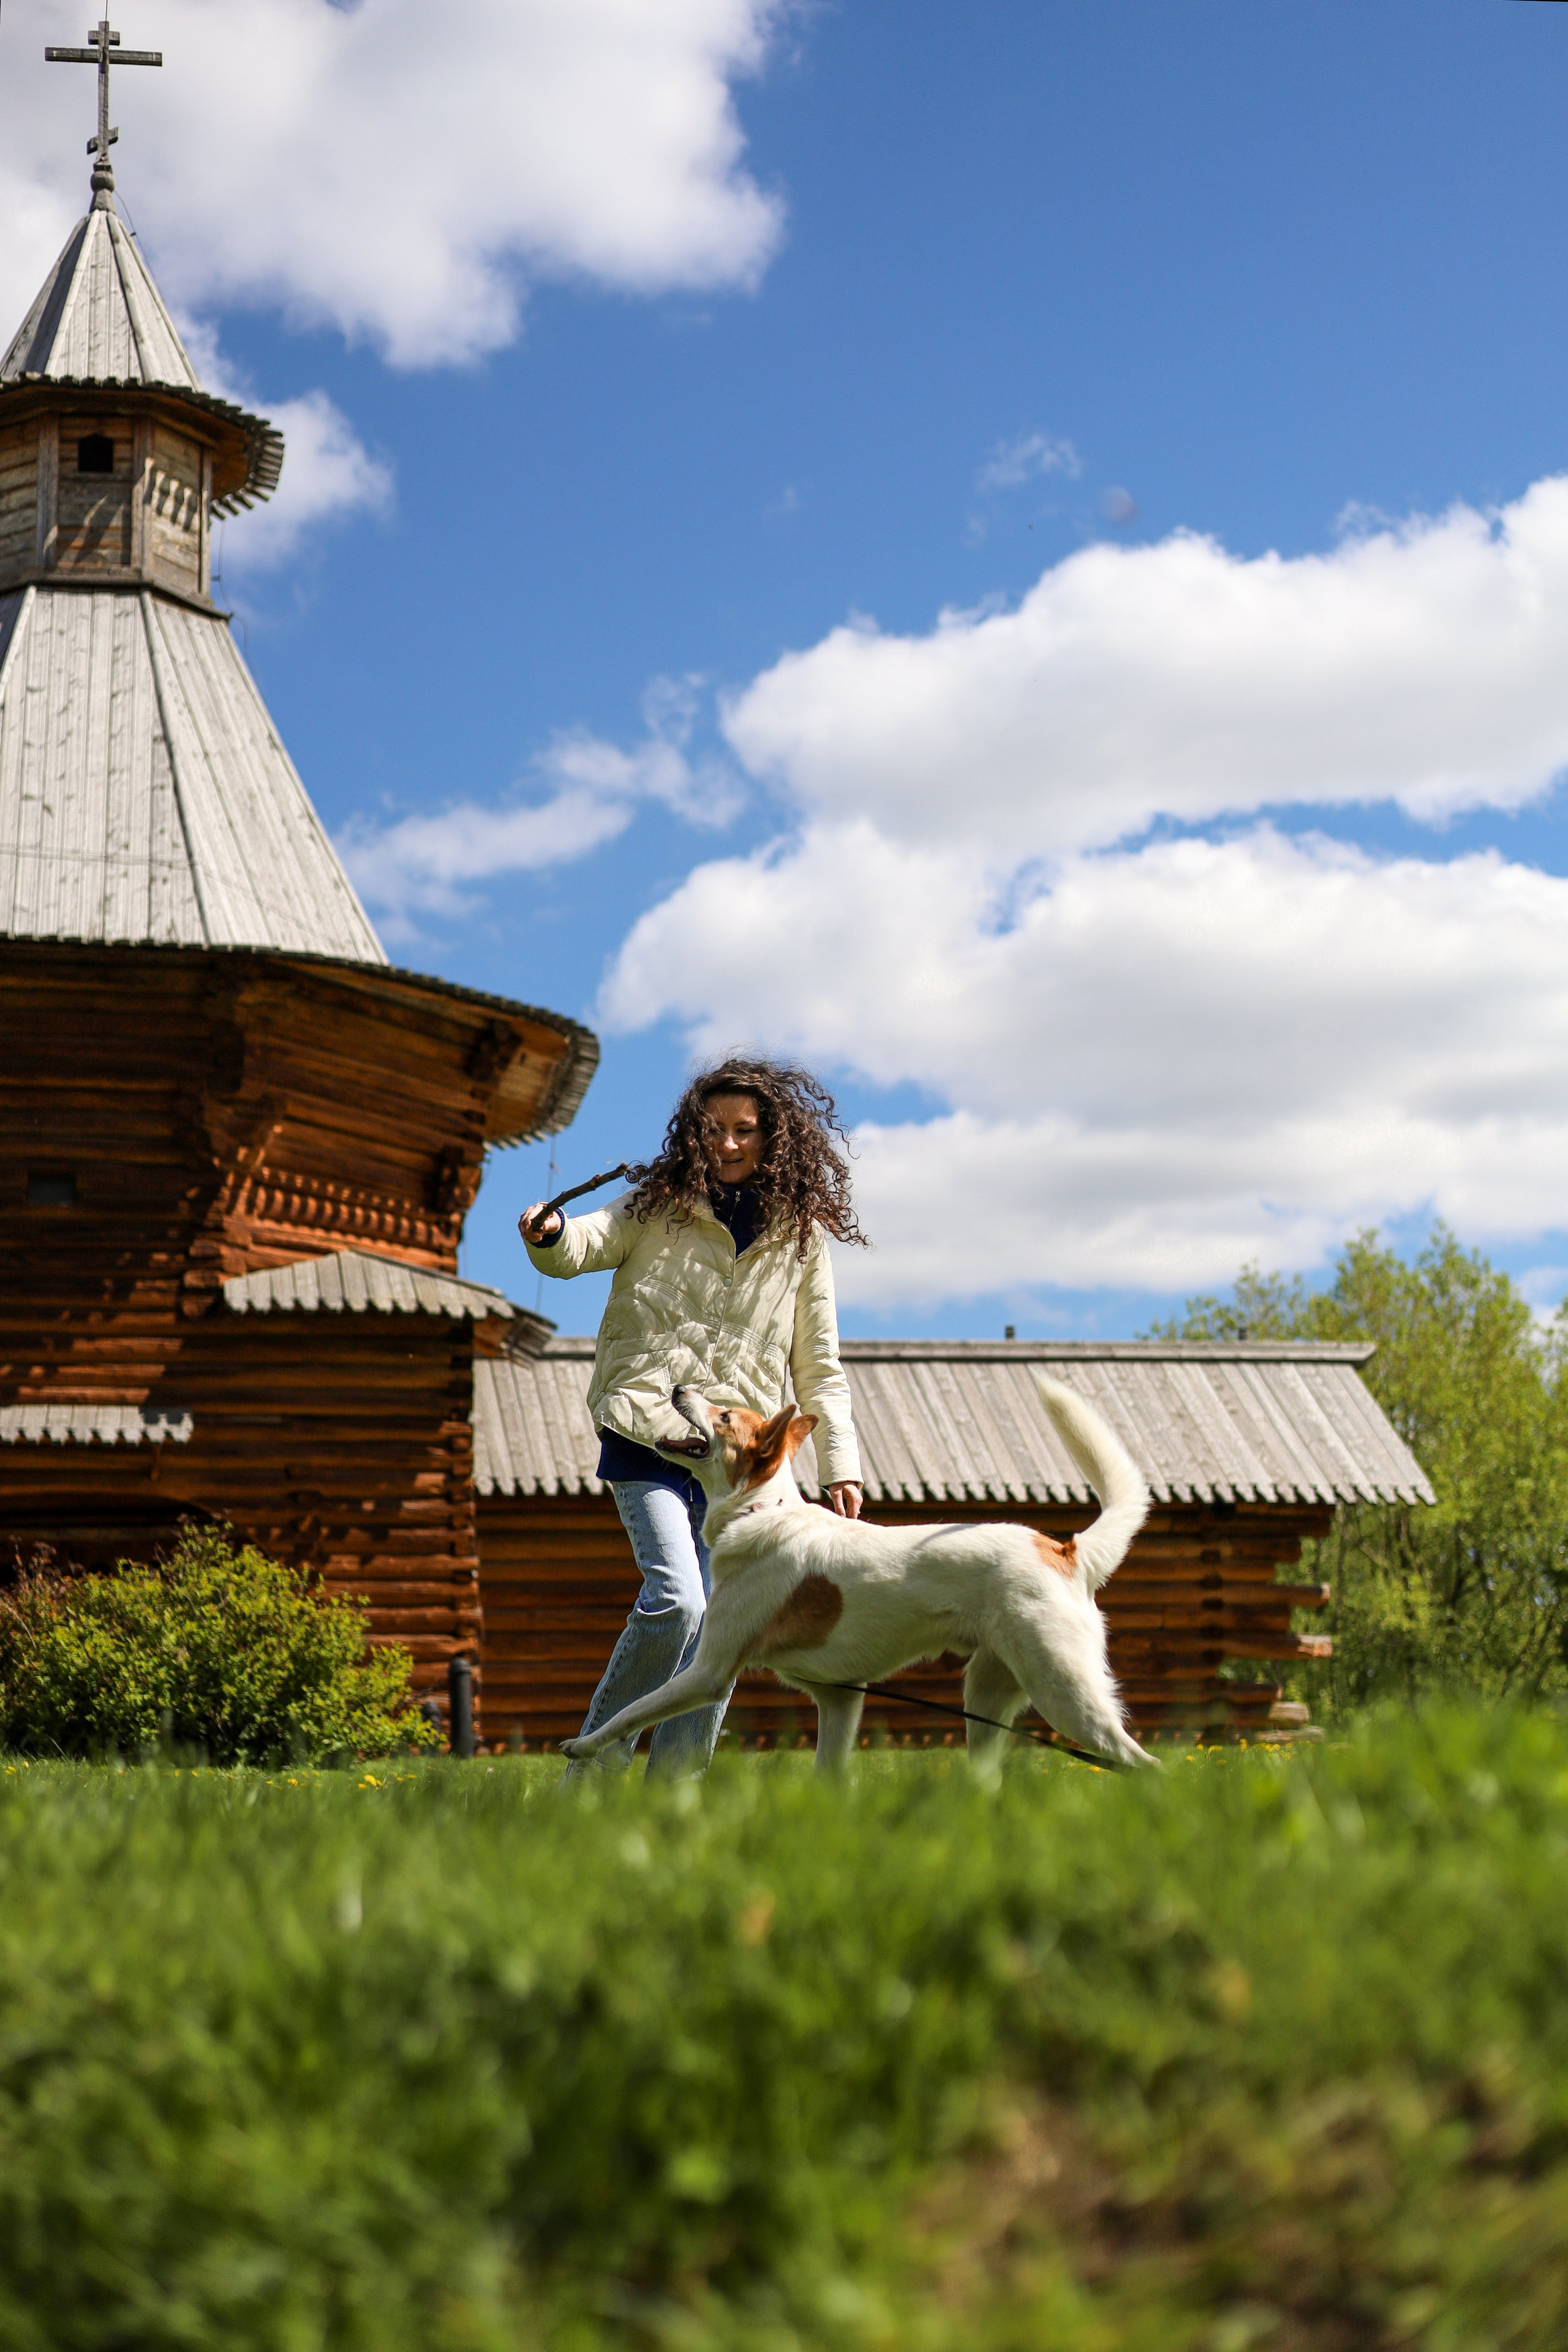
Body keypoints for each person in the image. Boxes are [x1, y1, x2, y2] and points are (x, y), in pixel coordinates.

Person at [518, 1058, 866, 1774]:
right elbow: (581, 1245)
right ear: (691, 1134)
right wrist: (548, 1234)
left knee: (721, 1625)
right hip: (647, 1430)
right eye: (713, 1129)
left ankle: (676, 1790)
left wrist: (840, 1466)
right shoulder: (654, 1204)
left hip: (734, 1464)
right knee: (678, 1601)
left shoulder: (801, 1239)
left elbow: (819, 1367)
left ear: (774, 1138)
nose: (728, 1144)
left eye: (745, 1130)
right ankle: (593, 1771)